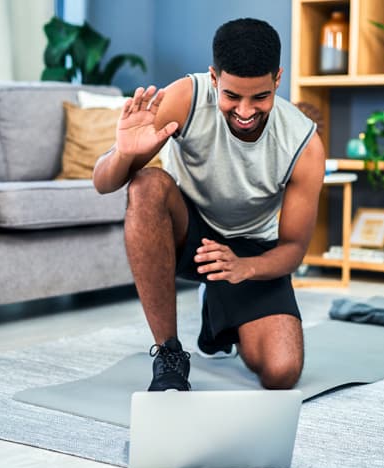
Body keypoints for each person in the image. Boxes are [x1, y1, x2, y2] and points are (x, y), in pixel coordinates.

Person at [93, 17, 325, 392]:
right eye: (232, 96)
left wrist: (244, 268)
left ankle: (215, 307)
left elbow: (294, 249)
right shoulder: (186, 97)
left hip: (251, 249)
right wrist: (122, 154)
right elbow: (103, 182)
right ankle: (169, 353)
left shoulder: (304, 144)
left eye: (260, 97)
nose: (246, 112)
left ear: (278, 79)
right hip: (191, 230)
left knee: (281, 373)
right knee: (147, 183)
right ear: (214, 78)